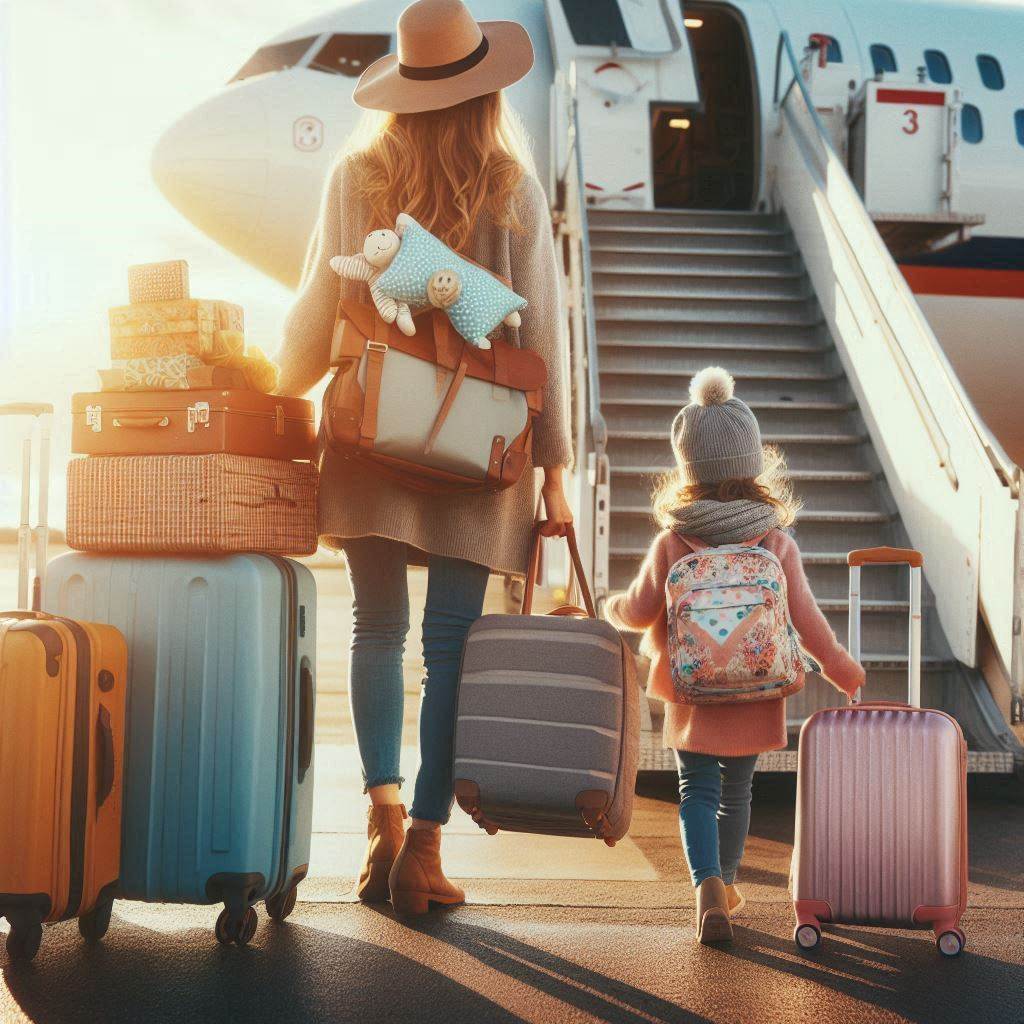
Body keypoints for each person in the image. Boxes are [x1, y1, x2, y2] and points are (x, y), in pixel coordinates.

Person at [275, 0, 572, 917]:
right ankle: (427, 857)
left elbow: (319, 306)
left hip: (371, 442)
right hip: (479, 453)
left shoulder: (356, 176)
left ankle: (384, 824)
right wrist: (554, 463)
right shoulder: (514, 190)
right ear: (485, 91)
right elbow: (547, 342)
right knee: (451, 651)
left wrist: (280, 383)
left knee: (374, 629)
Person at [604, 366, 864, 944]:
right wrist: (842, 669)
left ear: (687, 466)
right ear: (752, 461)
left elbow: (643, 609)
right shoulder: (775, 539)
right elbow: (807, 622)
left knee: (696, 790)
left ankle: (706, 888)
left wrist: (612, 607)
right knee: (738, 793)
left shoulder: (673, 538)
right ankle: (728, 880)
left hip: (691, 689)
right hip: (756, 686)